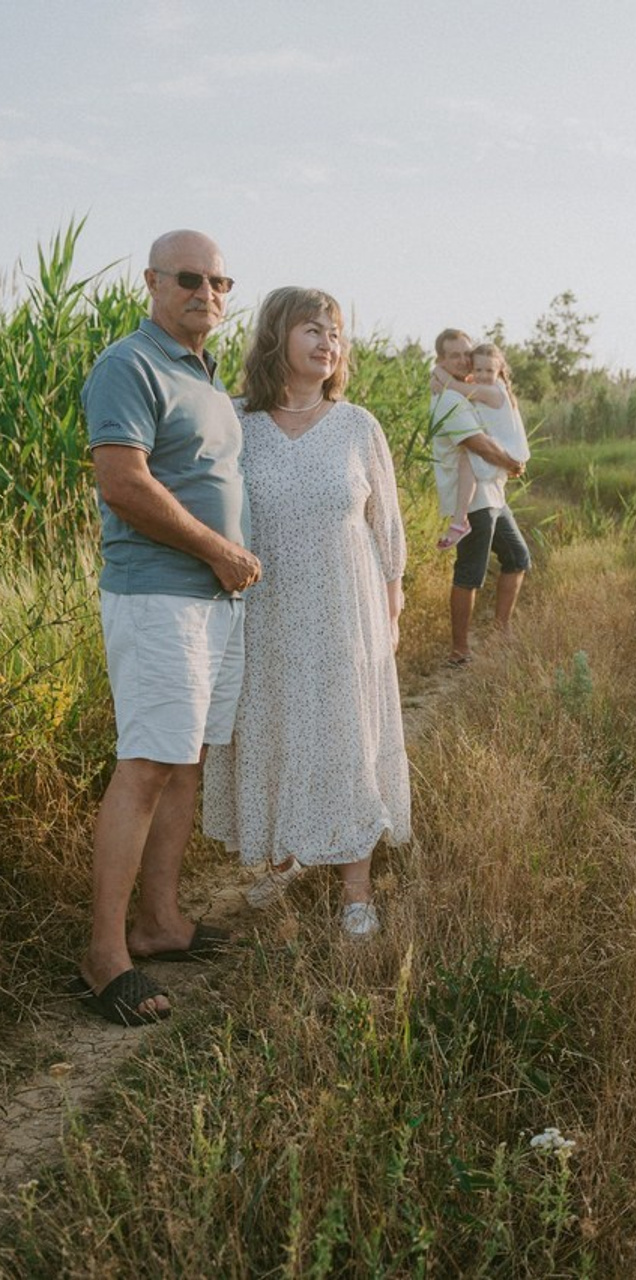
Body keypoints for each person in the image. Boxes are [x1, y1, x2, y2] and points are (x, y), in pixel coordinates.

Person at [74, 229, 259, 1026]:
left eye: (220, 283)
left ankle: (161, 924)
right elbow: (123, 483)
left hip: (211, 603)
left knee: (186, 765)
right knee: (148, 765)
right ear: (151, 281)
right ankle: (104, 955)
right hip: (161, 599)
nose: (207, 294)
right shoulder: (130, 364)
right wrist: (220, 551)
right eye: (190, 279)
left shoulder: (205, 375)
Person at [203, 288, 410, 938]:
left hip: (346, 610)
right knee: (278, 728)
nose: (328, 344)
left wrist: (392, 605)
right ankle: (288, 854)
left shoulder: (357, 426)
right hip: (266, 611)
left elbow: (387, 528)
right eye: (313, 330)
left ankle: (356, 890)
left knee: (347, 736)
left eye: (336, 333)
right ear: (277, 337)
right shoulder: (237, 421)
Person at [429, 329, 530, 666]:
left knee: (517, 557)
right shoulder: (447, 399)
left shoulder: (466, 391)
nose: (463, 360)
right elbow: (478, 444)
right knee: (470, 572)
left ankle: (502, 633)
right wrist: (512, 462)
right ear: (441, 360)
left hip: (492, 494)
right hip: (472, 499)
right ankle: (459, 651)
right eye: (454, 355)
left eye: (466, 353)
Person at [434, 341, 531, 549]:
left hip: (508, 450)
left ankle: (459, 520)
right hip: (505, 448)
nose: (484, 375)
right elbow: (464, 387)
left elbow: (456, 387)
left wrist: (437, 373)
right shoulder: (486, 387)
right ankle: (460, 520)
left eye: (489, 370)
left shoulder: (492, 391)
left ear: (500, 371)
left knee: (466, 458)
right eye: (478, 369)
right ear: (472, 369)